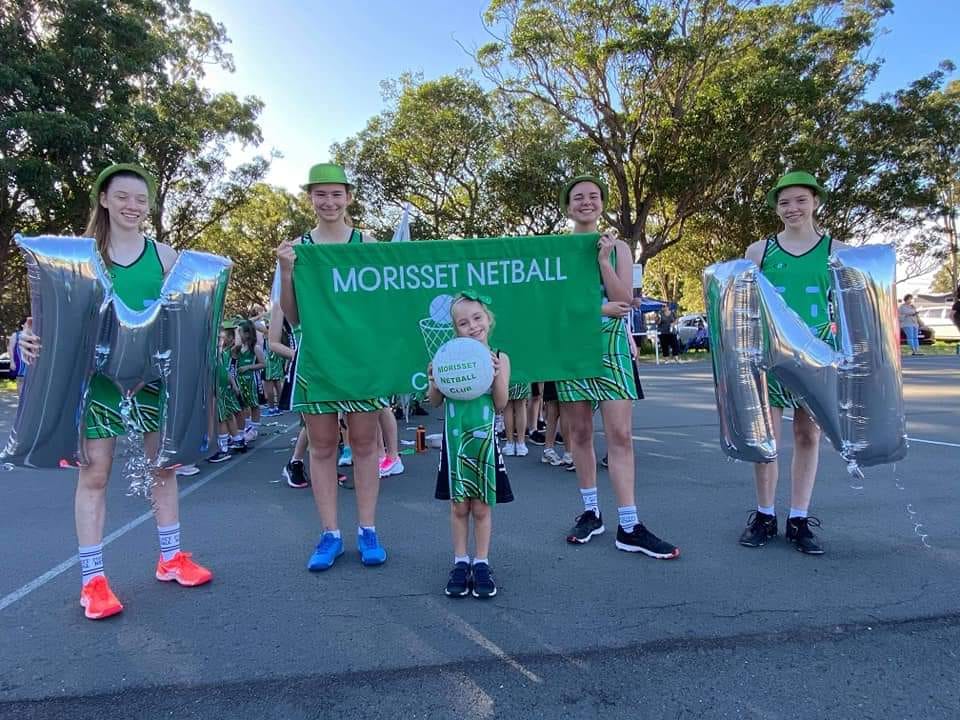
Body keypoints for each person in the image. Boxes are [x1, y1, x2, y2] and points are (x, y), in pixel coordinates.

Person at [17, 163, 212, 620]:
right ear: (104, 200)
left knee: (164, 468)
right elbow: (46, 320)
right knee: (95, 475)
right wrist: (22, 339)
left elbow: (185, 315)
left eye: (141, 199)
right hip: (97, 384)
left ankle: (171, 558)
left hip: (152, 380)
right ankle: (93, 581)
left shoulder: (165, 257)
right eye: (123, 197)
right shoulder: (81, 258)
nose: (132, 206)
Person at [556, 174, 679, 559]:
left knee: (620, 435)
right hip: (572, 346)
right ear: (568, 206)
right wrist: (597, 308)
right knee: (578, 433)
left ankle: (630, 525)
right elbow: (552, 306)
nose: (586, 202)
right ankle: (591, 512)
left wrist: (603, 262)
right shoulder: (556, 249)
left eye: (593, 196)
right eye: (578, 197)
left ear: (602, 202)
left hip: (611, 344)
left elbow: (625, 301)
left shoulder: (619, 247)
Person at [276, 162, 389, 570]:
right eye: (320, 194)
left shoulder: (367, 244)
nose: (329, 202)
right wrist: (286, 271)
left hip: (360, 361)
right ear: (310, 198)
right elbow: (293, 317)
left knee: (364, 445)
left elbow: (383, 305)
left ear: (349, 197)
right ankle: (330, 534)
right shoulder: (297, 249)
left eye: (336, 194)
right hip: (317, 361)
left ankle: (368, 529)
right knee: (322, 447)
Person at [739, 170, 848, 555]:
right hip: (771, 356)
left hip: (817, 356)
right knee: (766, 440)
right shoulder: (759, 252)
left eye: (801, 200)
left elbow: (850, 309)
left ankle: (799, 518)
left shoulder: (837, 250)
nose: (792, 208)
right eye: (784, 202)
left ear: (815, 202)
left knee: (808, 435)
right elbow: (744, 309)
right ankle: (764, 515)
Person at [428, 292, 512, 598]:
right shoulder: (446, 357)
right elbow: (435, 402)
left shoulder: (500, 357)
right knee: (459, 505)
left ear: (488, 319)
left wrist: (496, 374)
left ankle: (482, 563)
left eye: (477, 318)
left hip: (484, 443)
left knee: (482, 505)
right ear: (456, 329)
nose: (473, 326)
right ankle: (460, 562)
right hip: (455, 443)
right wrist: (434, 379)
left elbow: (501, 404)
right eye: (463, 323)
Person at [208, 324, 244, 463]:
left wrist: (233, 384)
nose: (220, 340)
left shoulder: (221, 353)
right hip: (216, 389)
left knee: (225, 416)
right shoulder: (212, 353)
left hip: (223, 389)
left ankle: (231, 442)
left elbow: (226, 371)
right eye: (218, 337)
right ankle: (226, 444)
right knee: (222, 417)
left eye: (221, 337)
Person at [235, 319, 266, 441]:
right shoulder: (238, 349)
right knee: (243, 405)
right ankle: (247, 427)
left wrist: (248, 367)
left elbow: (263, 364)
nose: (238, 335)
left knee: (254, 404)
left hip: (252, 381)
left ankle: (254, 429)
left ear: (247, 334)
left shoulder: (255, 348)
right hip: (241, 381)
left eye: (240, 332)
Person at [502, 383, 530, 456]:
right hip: (521, 376)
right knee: (521, 404)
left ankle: (509, 444)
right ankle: (521, 444)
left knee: (507, 404)